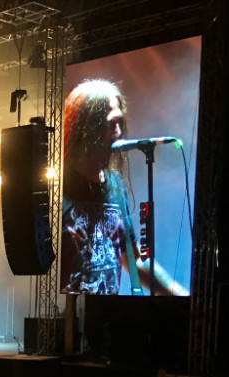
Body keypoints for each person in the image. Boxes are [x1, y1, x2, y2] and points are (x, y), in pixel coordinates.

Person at [60, 79, 143, 296]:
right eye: (111, 124)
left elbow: (133, 261)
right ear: (86, 128)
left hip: (106, 313)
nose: (118, 132)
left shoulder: (115, 185)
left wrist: (175, 292)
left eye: (120, 123)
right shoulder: (58, 189)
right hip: (69, 313)